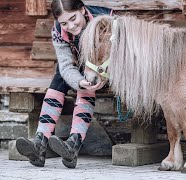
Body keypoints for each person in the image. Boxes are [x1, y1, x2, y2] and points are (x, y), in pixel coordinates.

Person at [16, 0, 113, 168]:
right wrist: (79, 82)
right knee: (61, 76)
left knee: (85, 78)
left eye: (73, 18)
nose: (70, 25)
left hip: (105, 71)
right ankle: (40, 143)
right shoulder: (59, 32)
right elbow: (66, 65)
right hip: (82, 72)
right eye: (64, 23)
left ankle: (73, 143)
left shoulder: (106, 20)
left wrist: (99, 75)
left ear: (82, 10)